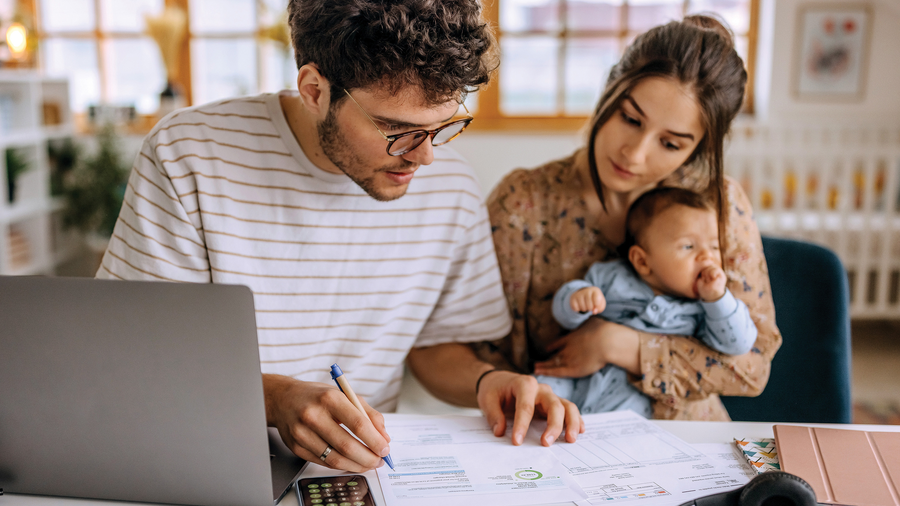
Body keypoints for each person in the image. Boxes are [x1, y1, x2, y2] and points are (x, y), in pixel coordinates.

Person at [96, 0, 583, 473]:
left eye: (443, 127)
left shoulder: (451, 184)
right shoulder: (191, 153)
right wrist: (275, 399)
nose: (424, 158)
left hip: (360, 474)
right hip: (201, 456)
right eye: (397, 129)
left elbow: (437, 346)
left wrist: (487, 381)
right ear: (314, 89)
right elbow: (138, 355)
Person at [474, 14, 782, 421]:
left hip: (688, 447)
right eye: (630, 119)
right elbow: (477, 355)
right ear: (608, 89)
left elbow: (752, 365)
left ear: (699, 148)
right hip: (556, 438)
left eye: (670, 143)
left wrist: (618, 344)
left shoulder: (719, 204)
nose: (634, 154)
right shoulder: (523, 203)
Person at [542, 187, 758, 417]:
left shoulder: (704, 309)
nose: (708, 257)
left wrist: (717, 298)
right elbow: (564, 317)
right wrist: (577, 299)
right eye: (688, 246)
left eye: (715, 247)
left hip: (632, 393)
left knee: (625, 424)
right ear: (642, 261)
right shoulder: (612, 277)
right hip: (578, 378)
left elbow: (738, 344)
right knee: (542, 389)